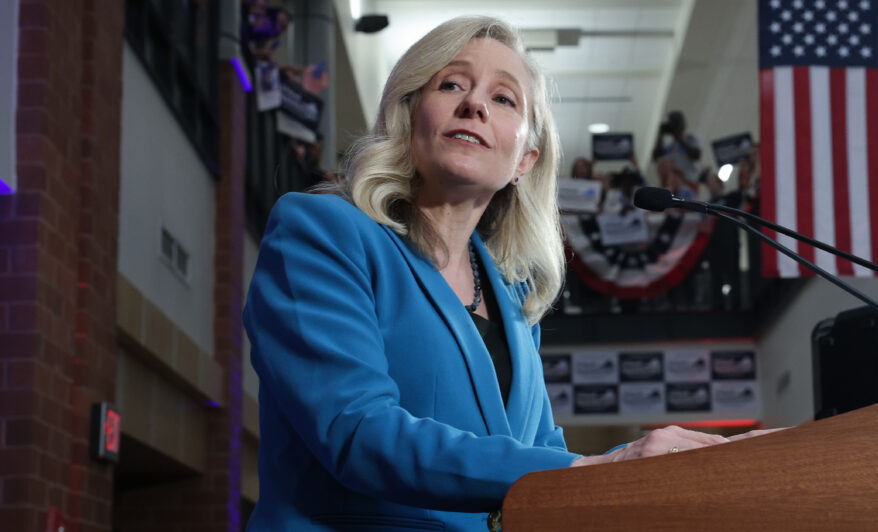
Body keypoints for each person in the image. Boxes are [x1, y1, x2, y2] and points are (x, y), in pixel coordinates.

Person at [244, 16, 764, 531]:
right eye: (451, 84)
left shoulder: (513, 298)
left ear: (525, 160)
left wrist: (665, 461)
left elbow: (538, 457)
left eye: (504, 98)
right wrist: (594, 466)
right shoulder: (321, 230)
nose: (474, 104)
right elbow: (356, 432)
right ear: (408, 117)